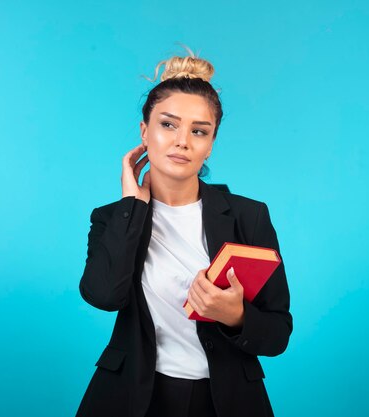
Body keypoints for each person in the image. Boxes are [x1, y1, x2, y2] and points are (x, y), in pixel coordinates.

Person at [76, 49, 292, 417]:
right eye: (168, 124)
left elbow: (277, 332)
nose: (183, 141)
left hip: (226, 401)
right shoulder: (113, 218)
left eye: (199, 131)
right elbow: (103, 296)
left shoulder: (249, 216)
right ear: (145, 132)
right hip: (134, 396)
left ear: (210, 145)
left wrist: (235, 314)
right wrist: (132, 204)